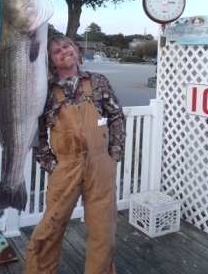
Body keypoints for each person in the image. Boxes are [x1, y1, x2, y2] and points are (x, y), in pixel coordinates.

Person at [23, 34, 126, 274]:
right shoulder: (45, 92)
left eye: (66, 46)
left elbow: (116, 116)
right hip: (65, 168)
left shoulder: (98, 82)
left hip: (101, 167)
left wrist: (114, 155)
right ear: (51, 60)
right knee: (50, 228)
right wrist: (50, 165)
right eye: (57, 51)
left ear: (74, 48)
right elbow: (36, 134)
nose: (64, 51)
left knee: (103, 231)